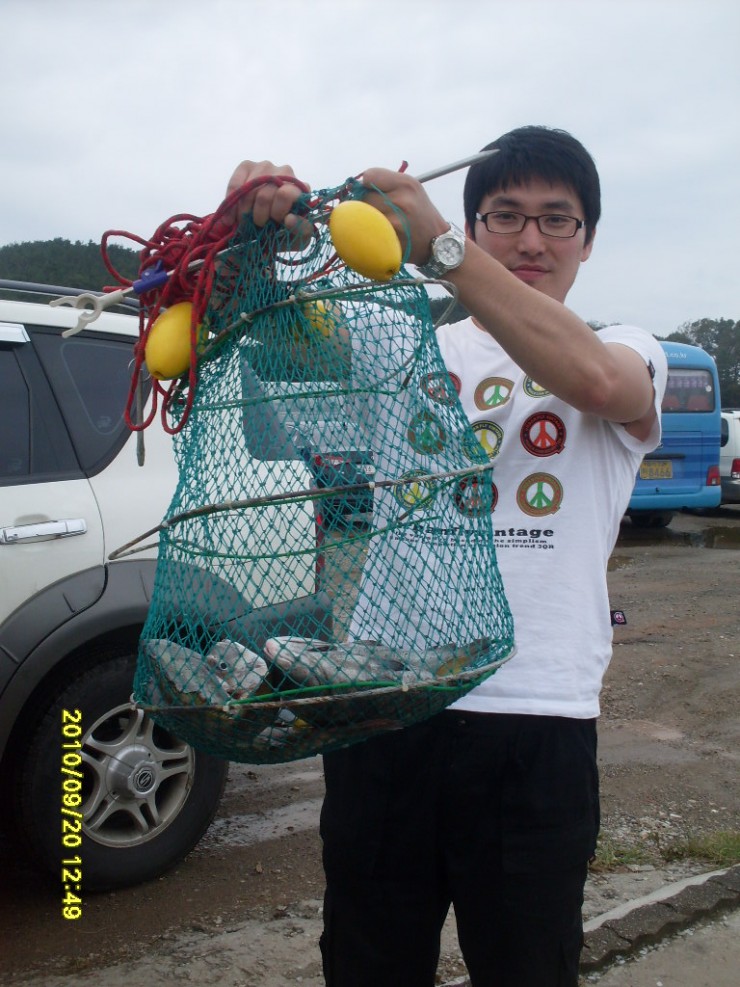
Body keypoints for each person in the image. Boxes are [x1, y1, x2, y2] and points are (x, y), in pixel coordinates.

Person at [225, 127, 668, 987]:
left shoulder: (626, 346)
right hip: (387, 706)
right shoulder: (405, 342)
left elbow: (599, 386)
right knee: (369, 962)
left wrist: (445, 253)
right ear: (472, 221)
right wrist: (268, 238)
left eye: (557, 220)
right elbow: (279, 336)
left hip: (537, 721)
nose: (531, 239)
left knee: (528, 966)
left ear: (588, 240)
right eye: (505, 216)